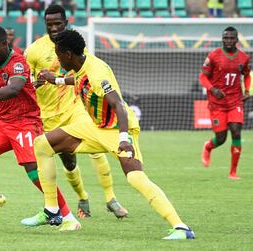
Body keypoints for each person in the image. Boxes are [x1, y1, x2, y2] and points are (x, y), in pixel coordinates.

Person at [33, 29, 195, 239]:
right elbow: (81, 81)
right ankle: (52, 211)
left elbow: (118, 105)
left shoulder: (97, 72)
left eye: (58, 53)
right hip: (94, 127)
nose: (56, 58)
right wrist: (56, 80)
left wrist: (124, 139)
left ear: (68, 55)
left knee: (136, 178)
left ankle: (181, 227)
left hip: (117, 129)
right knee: (42, 144)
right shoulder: (82, 64)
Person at [0, 25, 80, 231]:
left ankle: (68, 218)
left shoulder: (18, 63)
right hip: (4, 125)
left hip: (26, 123)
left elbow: (13, 89)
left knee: (34, 172)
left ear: (5, 44)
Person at [22, 4, 127, 225]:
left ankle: (111, 199)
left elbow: (87, 71)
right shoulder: (33, 51)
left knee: (97, 151)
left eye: (57, 24)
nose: (53, 28)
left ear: (66, 23)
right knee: (69, 163)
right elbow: (23, 84)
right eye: (49, 24)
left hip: (76, 107)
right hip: (49, 115)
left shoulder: (76, 45)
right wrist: (36, 83)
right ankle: (83, 198)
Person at [200, 26, 251, 179]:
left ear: (237, 40)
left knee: (236, 131)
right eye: (226, 38)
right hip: (217, 103)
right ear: (222, 39)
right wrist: (213, 89)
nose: (228, 40)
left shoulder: (243, 58)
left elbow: (247, 75)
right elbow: (203, 77)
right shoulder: (214, 56)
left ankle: (233, 172)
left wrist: (247, 91)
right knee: (221, 138)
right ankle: (208, 146)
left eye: (232, 38)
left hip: (235, 101)